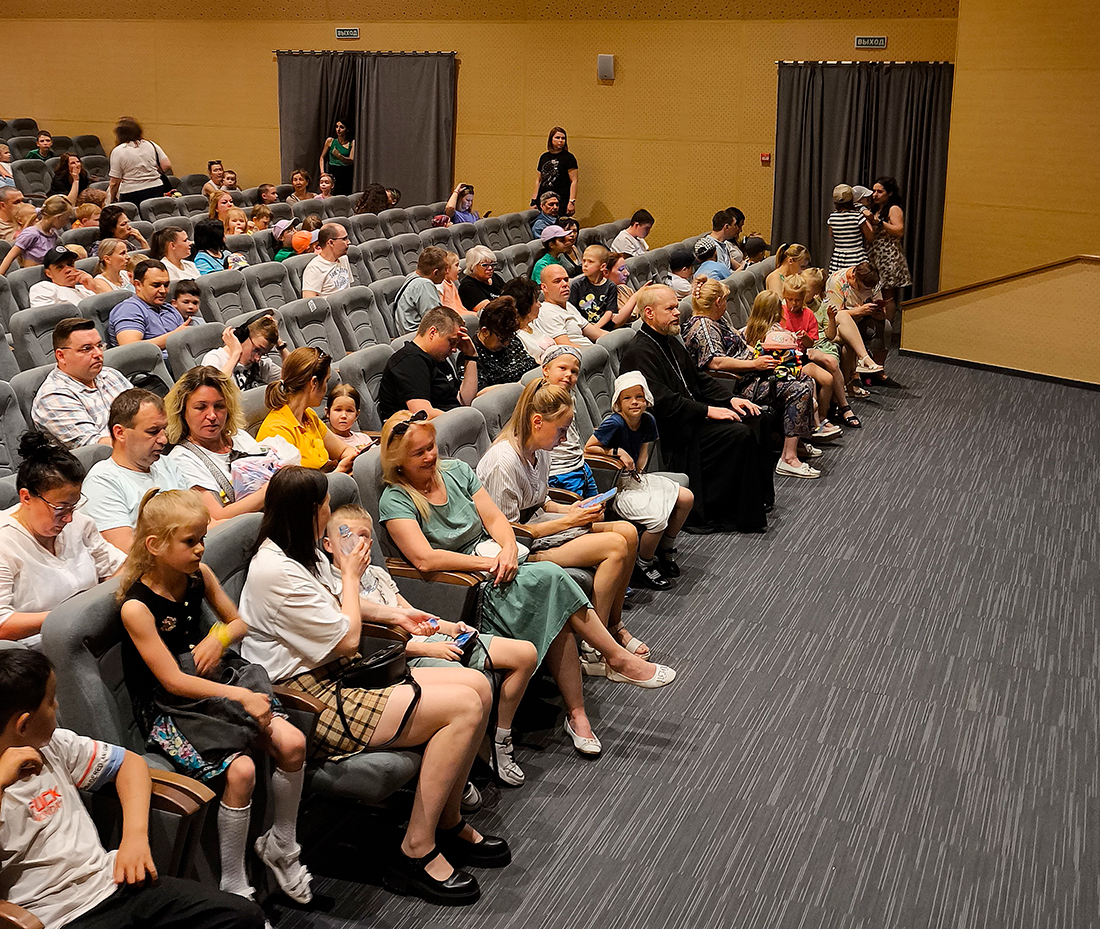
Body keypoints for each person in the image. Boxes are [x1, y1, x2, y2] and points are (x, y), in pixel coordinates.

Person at [239, 467, 509, 906]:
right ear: (310, 511)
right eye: (325, 505)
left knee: (477, 685)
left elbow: (337, 604)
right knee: (463, 706)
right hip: (308, 699)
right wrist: (350, 573)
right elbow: (347, 635)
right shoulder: (273, 570)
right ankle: (416, 849)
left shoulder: (301, 551)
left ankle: (447, 819)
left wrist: (397, 615)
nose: (329, 511)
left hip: (339, 674)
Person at [381, 414, 673, 750]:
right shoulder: (396, 498)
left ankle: (583, 706)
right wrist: (488, 563)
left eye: (431, 447)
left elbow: (495, 519)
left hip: (499, 562)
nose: (430, 456)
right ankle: (611, 665)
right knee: (553, 584)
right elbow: (425, 559)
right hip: (466, 585)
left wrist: (507, 548)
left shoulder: (456, 471)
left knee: (556, 602)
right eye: (418, 453)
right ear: (398, 461)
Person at [117, 489, 311, 903]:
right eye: (190, 541)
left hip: (216, 681)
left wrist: (218, 638)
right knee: (241, 772)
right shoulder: (137, 607)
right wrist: (239, 697)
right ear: (155, 545)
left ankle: (282, 844)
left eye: (202, 538)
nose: (201, 548)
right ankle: (235, 886)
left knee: (293, 743)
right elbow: (172, 681)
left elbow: (238, 622)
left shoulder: (199, 575)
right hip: (172, 706)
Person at [0, 648, 265, 929]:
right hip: (58, 918)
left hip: (114, 885)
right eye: (50, 701)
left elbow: (129, 764)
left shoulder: (53, 744)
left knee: (242, 917)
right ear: (23, 724)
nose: (57, 707)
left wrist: (134, 839)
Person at [326, 503, 536, 787]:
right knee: (470, 687)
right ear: (328, 545)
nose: (357, 544)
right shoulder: (333, 586)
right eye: (348, 536)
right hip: (402, 656)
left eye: (364, 536)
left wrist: (450, 627)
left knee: (524, 654)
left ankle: (500, 738)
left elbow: (410, 612)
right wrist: (428, 649)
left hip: (426, 639)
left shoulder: (377, 574)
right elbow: (371, 644)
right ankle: (463, 765)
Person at [477, 379, 656, 647]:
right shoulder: (503, 462)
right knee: (615, 546)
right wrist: (569, 521)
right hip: (517, 548)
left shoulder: (541, 449)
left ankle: (613, 625)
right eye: (561, 430)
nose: (564, 439)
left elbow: (543, 501)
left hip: (539, 528)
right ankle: (595, 645)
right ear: (537, 422)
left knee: (628, 532)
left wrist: (573, 509)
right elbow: (511, 534)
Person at [619, 285, 773, 533]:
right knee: (739, 434)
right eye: (670, 308)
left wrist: (730, 400)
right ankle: (730, 513)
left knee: (756, 417)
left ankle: (758, 501)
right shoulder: (638, 352)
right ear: (649, 313)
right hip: (676, 429)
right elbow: (662, 401)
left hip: (694, 414)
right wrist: (708, 411)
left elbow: (699, 379)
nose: (677, 312)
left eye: (676, 307)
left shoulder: (670, 341)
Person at [0, 433, 124, 648]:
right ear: (26, 497)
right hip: (38, 649)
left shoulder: (79, 523)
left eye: (73, 506)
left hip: (94, 633)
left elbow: (120, 568)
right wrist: (69, 617)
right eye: (60, 509)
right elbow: (2, 624)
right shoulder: (5, 542)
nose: (69, 518)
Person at [685, 280, 819, 478]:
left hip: (753, 374)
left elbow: (740, 344)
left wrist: (762, 354)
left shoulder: (716, 321)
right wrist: (755, 365)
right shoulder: (704, 326)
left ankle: (793, 442)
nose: (726, 305)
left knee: (804, 377)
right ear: (718, 301)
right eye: (726, 301)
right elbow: (716, 362)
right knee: (799, 389)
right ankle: (788, 459)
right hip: (737, 384)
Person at [585, 372, 694, 584]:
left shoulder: (648, 420)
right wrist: (617, 452)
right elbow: (588, 448)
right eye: (627, 398)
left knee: (686, 498)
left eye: (639, 397)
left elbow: (644, 451)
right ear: (618, 403)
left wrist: (640, 472)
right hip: (617, 487)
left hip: (636, 479)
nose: (634, 402)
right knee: (657, 520)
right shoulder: (614, 423)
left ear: (647, 400)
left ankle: (665, 548)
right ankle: (644, 563)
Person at [81, 389, 188, 550]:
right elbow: (128, 552)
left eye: (164, 429)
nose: (163, 439)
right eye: (152, 432)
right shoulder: (101, 483)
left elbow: (197, 519)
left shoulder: (167, 464)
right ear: (120, 433)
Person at [165, 367, 275, 519]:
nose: (212, 415)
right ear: (183, 412)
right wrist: (272, 488)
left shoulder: (240, 437)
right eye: (201, 407)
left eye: (219, 406)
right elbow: (218, 517)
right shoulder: (181, 459)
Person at [31, 317, 131, 448]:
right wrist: (142, 439)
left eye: (99, 346)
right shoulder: (53, 396)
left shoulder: (111, 375)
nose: (98, 354)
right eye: (87, 349)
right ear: (61, 356)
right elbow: (95, 448)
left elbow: (142, 411)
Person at [257, 347, 357, 472]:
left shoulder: (308, 415)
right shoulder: (276, 431)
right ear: (314, 383)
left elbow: (343, 450)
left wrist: (355, 455)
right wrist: (339, 471)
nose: (326, 388)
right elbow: (293, 483)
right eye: (326, 381)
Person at [378, 307, 478, 420]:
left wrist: (471, 356)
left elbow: (465, 401)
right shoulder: (409, 361)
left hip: (447, 422)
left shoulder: (438, 357)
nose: (455, 349)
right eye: (451, 342)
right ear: (432, 332)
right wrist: (464, 418)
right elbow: (424, 414)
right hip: (424, 427)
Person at [107, 260, 186, 352]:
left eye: (166, 285)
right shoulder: (128, 310)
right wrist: (175, 336)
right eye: (156, 285)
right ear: (138, 285)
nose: (163, 291)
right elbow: (130, 348)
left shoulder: (169, 309)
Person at [865, 175, 912, 327]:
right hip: (874, 255)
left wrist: (879, 223)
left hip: (888, 256)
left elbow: (899, 230)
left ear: (890, 193)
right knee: (873, 293)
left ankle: (888, 328)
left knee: (887, 295)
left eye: (879, 192)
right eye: (874, 191)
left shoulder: (894, 209)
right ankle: (876, 326)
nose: (875, 195)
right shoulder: (874, 209)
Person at [202, 314, 288, 391]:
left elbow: (292, 378)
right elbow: (215, 391)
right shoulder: (214, 358)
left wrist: (281, 346)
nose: (258, 358)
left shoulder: (261, 364)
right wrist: (236, 354)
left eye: (263, 353)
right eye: (257, 350)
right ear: (242, 337)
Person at [473, 297, 538, 391]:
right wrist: (518, 386)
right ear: (485, 332)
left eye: (510, 337)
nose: (507, 344)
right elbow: (480, 392)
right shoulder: (472, 355)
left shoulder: (511, 339)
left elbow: (532, 365)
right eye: (502, 339)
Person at [108, 116, 172, 208]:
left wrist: (112, 198)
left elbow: (114, 182)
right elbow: (166, 165)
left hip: (131, 192)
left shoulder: (118, 151)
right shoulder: (151, 144)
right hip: (156, 188)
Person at [533, 264, 602, 347]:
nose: (564, 284)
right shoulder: (546, 312)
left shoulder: (568, 305)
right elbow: (566, 346)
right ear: (544, 288)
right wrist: (597, 350)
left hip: (593, 349)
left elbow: (595, 333)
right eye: (557, 281)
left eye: (566, 280)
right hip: (582, 353)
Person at [0, 195, 72, 274]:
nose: (67, 223)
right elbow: (10, 256)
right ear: (58, 217)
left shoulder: (53, 234)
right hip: (31, 275)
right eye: (66, 219)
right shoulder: (31, 234)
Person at [395, 246, 450, 333]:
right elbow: (437, 321)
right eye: (445, 269)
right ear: (435, 272)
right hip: (418, 336)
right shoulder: (424, 285)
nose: (447, 272)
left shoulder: (412, 277)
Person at [28, 245, 97, 306]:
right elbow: (46, 315)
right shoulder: (43, 288)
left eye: (70, 264)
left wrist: (94, 288)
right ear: (48, 273)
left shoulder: (85, 288)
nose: (68, 270)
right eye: (60, 267)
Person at [504, 277, 552, 363]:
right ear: (525, 306)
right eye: (536, 301)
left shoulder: (532, 325)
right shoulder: (516, 337)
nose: (539, 305)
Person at [532, 127, 577, 218]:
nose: (560, 140)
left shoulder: (569, 158)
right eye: (557, 138)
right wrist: (533, 200)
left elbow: (574, 181)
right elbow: (538, 180)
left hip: (561, 199)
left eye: (563, 138)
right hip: (544, 199)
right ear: (551, 139)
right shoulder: (544, 157)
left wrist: (571, 201)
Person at [827, 183, 871, 273]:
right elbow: (870, 236)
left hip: (838, 258)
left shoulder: (832, 217)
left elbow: (831, 234)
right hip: (856, 257)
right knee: (857, 279)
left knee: (838, 280)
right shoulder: (857, 216)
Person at [300, 224, 351, 298]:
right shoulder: (314, 269)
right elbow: (308, 300)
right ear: (331, 243)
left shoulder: (343, 258)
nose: (349, 242)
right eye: (344, 239)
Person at [325, 384, 373, 452]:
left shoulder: (364, 439)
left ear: (357, 414)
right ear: (327, 412)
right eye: (338, 410)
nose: (344, 416)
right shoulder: (324, 441)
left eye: (349, 411)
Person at [457, 245, 506, 312]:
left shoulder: (495, 277)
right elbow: (489, 310)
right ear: (472, 266)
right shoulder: (468, 286)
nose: (490, 268)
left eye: (492, 264)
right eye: (485, 265)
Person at [693, 209, 743, 274]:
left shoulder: (723, 244)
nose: (738, 229)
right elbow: (722, 275)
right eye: (735, 225)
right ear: (727, 227)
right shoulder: (711, 248)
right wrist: (742, 268)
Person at [320, 120, 355, 195]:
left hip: (346, 172)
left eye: (341, 127)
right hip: (333, 170)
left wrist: (339, 156)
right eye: (337, 127)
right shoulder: (330, 141)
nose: (338, 129)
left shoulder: (351, 143)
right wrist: (322, 172)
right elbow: (322, 157)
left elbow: (351, 160)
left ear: (347, 130)